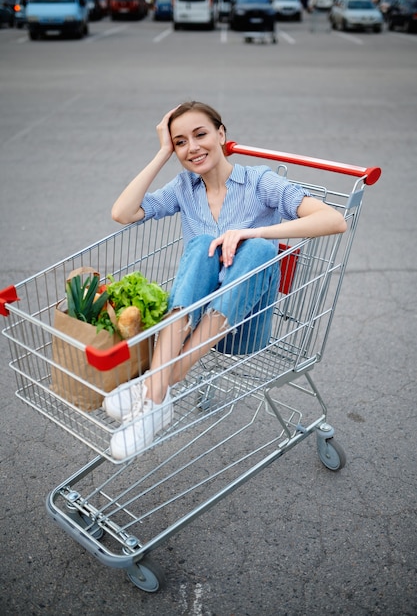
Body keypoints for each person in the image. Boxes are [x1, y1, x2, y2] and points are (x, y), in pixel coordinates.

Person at [104, 101, 347, 459]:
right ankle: (157, 397)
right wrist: (161, 153)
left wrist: (251, 233)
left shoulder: (259, 182)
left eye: (201, 134)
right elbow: (122, 213)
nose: (193, 147)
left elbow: (334, 220)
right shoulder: (184, 188)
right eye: (181, 142)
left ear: (221, 134)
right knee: (203, 244)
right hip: (188, 330)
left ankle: (156, 387)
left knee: (261, 248)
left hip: (244, 329)